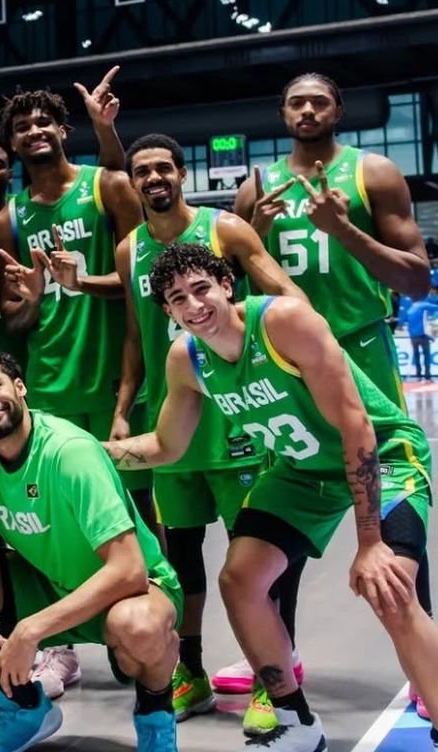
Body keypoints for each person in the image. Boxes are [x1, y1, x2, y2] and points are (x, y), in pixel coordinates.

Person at [104, 242, 438, 751]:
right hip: (302, 471)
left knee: (389, 588)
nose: (194, 305)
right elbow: (165, 446)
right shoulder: (185, 360)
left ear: (226, 286)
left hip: (384, 453)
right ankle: (295, 719)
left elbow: (356, 424)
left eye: (201, 289)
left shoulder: (283, 322)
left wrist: (369, 541)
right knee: (240, 579)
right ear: (167, 312)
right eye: (178, 298)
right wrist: (93, 452)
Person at [115, 133, 310, 731]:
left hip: (234, 418)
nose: (154, 178)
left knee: (260, 556)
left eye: (163, 168)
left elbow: (285, 295)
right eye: (142, 170)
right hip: (171, 417)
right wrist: (125, 407)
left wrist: (294, 361)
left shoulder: (224, 229)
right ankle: (190, 673)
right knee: (182, 559)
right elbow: (134, 335)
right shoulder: (129, 249)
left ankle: (271, 679)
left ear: (181, 173)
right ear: (133, 182)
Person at [0, 348, 182, 752]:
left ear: (19, 388)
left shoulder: (68, 452)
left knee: (140, 627)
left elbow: (129, 569)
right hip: (48, 582)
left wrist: (30, 629)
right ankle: (24, 708)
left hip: (131, 588)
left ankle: (156, 724)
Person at [0, 87, 145, 694]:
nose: (34, 130)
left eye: (44, 120)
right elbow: (13, 320)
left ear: (63, 129)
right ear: (13, 143)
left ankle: (142, 635)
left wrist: (83, 283)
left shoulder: (106, 187)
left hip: (111, 380)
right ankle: (56, 646)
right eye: (23, 125)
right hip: (48, 386)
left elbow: (142, 278)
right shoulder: (9, 217)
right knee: (43, 524)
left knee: (134, 520)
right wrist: (29, 301)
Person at [233, 72, 429, 407]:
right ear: (283, 113)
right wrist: (254, 234)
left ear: (338, 112)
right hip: (283, 349)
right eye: (297, 103)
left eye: (319, 102)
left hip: (359, 342)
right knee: (299, 457)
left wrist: (343, 230)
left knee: (387, 458)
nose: (307, 110)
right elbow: (230, 283)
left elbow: (417, 282)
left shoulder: (374, 173)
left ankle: (380, 466)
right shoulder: (255, 189)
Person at [405, 288, 438, 381]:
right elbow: (435, 307)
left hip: (413, 336)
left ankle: (418, 375)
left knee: (416, 356)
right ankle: (427, 376)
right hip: (422, 335)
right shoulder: (423, 305)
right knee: (426, 355)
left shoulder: (410, 309)